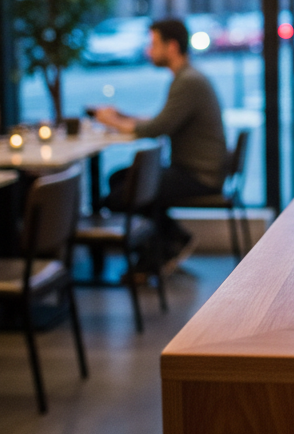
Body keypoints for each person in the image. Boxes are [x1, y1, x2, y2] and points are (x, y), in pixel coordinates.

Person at [94, 18, 228, 263]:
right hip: (198, 169)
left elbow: (156, 128)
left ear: (172, 47)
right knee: (119, 178)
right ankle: (169, 241)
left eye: (154, 44)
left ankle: (161, 250)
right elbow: (164, 119)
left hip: (200, 175)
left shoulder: (188, 82)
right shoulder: (187, 77)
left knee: (121, 194)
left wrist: (110, 120)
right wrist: (124, 116)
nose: (149, 50)